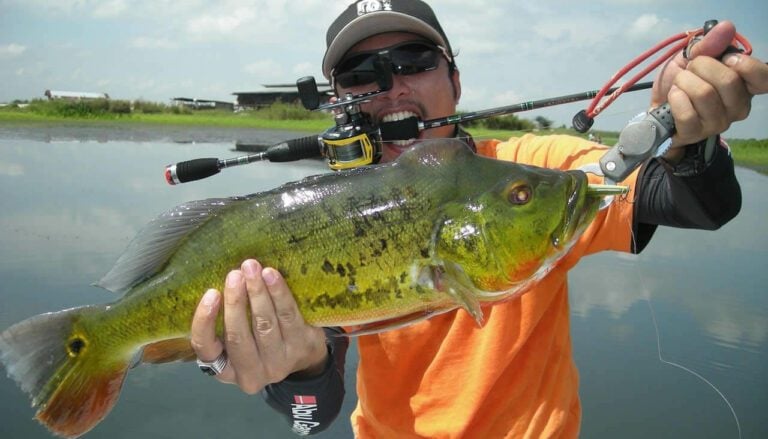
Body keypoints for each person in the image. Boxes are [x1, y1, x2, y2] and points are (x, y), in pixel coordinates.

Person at [190, 1, 768, 437]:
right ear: (338, 97)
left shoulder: (528, 173)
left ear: (455, 81)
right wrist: (295, 368)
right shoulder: (323, 219)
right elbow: (314, 416)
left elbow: (695, 203)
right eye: (362, 75)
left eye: (413, 63)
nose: (391, 87)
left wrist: (689, 142)